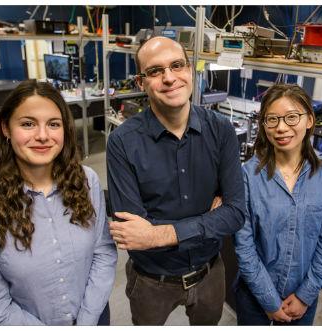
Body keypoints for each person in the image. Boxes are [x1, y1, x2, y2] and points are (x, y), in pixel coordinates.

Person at [106, 36, 245, 325]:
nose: (169, 78)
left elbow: (235, 213)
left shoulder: (221, 131)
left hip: (210, 273)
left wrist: (158, 234)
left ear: (190, 69)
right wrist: (208, 220)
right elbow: (133, 233)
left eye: (177, 65)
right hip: (152, 281)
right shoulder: (122, 142)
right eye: (155, 71)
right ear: (141, 82)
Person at [0, 80, 117, 325]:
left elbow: (103, 253)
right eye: (27, 124)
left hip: (95, 319)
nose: (43, 136)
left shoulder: (88, 181)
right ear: (6, 128)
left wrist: (87, 321)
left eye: (53, 124)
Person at [234, 84, 322, 325]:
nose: (281, 128)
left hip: (303, 297)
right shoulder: (248, 176)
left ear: (310, 120)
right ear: (264, 126)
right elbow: (244, 246)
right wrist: (268, 300)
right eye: (272, 119)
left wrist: (306, 295)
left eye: (292, 117)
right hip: (254, 296)